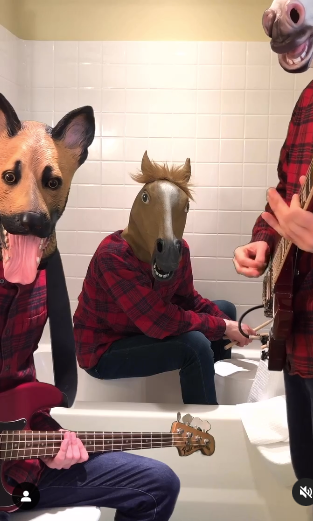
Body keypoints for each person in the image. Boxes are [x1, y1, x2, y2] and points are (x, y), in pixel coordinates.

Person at [0, 99, 180, 521]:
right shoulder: (114, 254)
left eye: (50, 184)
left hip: (20, 459)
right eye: (10, 178)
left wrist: (50, 442)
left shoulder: (46, 275)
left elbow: (20, 386)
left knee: (157, 486)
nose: (31, 209)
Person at [234, 0, 313, 519]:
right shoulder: (310, 99)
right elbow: (284, 192)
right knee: (309, 483)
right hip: (298, 339)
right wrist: (260, 241)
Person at [74, 153, 255, 406]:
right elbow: (156, 321)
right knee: (196, 345)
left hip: (139, 329)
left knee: (225, 309)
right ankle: (206, 425)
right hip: (105, 349)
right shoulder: (113, 257)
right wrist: (223, 327)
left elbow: (188, 299)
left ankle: (210, 385)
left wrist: (229, 324)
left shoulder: (180, 251)